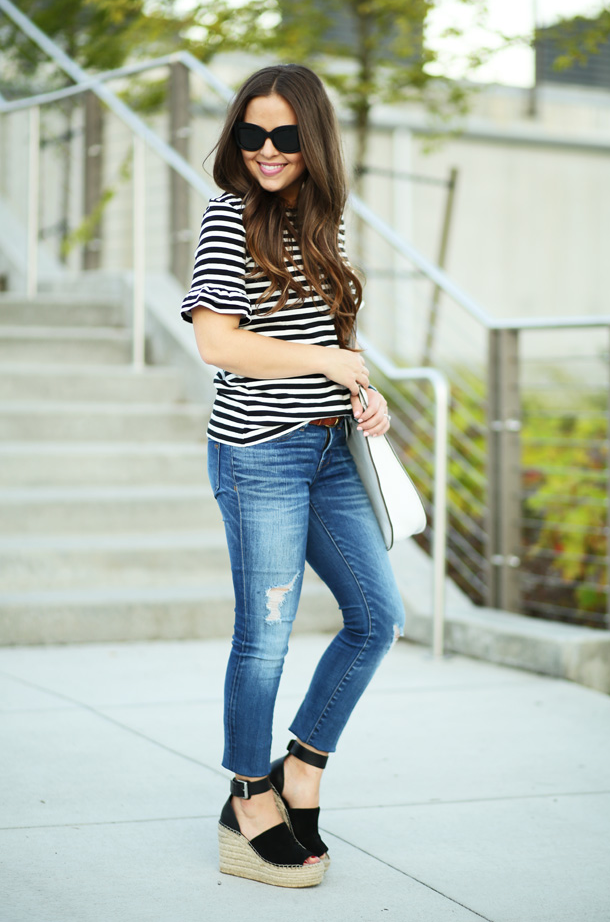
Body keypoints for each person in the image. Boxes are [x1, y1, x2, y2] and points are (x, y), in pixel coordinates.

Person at [181, 63, 405, 888]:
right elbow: (219, 343)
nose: (267, 151)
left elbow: (330, 343)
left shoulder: (324, 221)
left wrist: (363, 393)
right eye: (251, 133)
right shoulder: (227, 217)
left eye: (284, 135)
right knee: (265, 637)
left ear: (313, 141)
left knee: (378, 618)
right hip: (259, 457)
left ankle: (301, 768)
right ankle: (247, 797)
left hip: (328, 449)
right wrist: (329, 360)